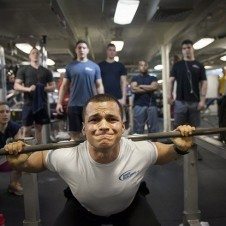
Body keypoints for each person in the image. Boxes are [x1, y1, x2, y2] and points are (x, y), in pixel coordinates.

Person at [5, 94, 195, 226]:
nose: (103, 126)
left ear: (123, 126)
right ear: (83, 128)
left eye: (112, 119)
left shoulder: (137, 149)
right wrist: (22, 162)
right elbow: (40, 160)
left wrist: (179, 147)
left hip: (129, 206)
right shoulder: (68, 154)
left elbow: (163, 153)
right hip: (82, 208)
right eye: (94, 120)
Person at [56, 40, 104, 141]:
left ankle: (89, 156)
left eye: (84, 48)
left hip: (90, 106)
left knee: (91, 134)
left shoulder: (94, 67)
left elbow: (99, 85)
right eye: (79, 48)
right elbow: (64, 86)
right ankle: (76, 156)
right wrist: (59, 103)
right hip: (73, 105)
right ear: (76, 50)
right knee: (74, 136)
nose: (81, 50)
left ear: (87, 50)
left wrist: (103, 102)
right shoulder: (70, 67)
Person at [14, 48, 55, 144]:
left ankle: (38, 151)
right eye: (33, 53)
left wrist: (42, 88)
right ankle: (26, 152)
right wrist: (28, 89)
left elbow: (53, 87)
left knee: (39, 129)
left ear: (40, 55)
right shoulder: (23, 69)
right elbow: (16, 85)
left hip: (41, 104)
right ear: (29, 56)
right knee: (26, 129)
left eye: (37, 53)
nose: (35, 55)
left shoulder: (46, 71)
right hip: (28, 103)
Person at [168, 39, 208, 129]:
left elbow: (204, 83)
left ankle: (192, 143)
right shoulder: (177, 65)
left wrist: (202, 100)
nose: (186, 50)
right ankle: (178, 144)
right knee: (178, 128)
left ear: (192, 49)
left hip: (195, 102)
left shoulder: (199, 65)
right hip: (180, 102)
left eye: (189, 48)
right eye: (184, 48)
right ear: (182, 50)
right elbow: (170, 80)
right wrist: (169, 95)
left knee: (194, 128)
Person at [0, 102, 23, 196]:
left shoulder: (15, 127)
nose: (5, 114)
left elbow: (20, 146)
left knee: (22, 159)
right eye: (1, 112)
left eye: (7, 111)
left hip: (6, 158)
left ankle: (13, 184)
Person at [131, 60, 159, 134]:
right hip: (138, 106)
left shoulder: (153, 78)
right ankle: (138, 145)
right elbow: (134, 89)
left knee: (153, 130)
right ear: (138, 67)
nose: (143, 67)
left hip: (152, 105)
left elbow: (154, 87)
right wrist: (149, 88)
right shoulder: (135, 78)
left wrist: (140, 86)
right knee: (138, 130)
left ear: (147, 66)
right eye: (141, 65)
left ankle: (154, 145)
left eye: (145, 65)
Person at [218, 67, 226, 142]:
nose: (223, 70)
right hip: (222, 97)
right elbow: (219, 86)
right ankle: (222, 136)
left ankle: (223, 136)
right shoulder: (221, 78)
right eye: (222, 69)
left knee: (224, 119)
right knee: (221, 118)